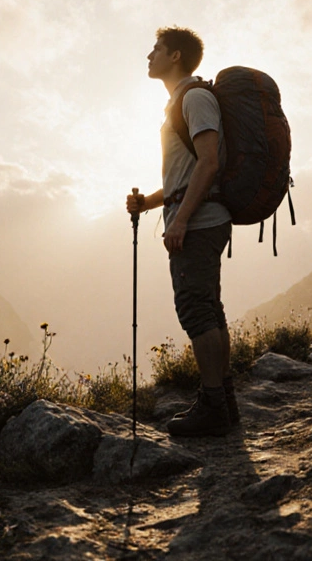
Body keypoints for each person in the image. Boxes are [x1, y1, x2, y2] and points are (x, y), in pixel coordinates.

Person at [127, 26, 237, 437]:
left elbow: (208, 164)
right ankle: (224, 403)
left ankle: (213, 407)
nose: (149, 54)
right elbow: (186, 175)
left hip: (200, 222)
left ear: (175, 56)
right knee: (209, 309)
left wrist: (184, 220)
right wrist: (150, 204)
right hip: (199, 216)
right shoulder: (183, 103)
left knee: (196, 311)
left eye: (156, 48)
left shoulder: (194, 99)